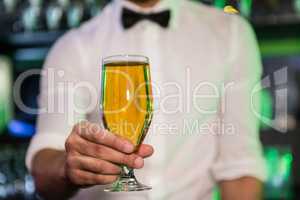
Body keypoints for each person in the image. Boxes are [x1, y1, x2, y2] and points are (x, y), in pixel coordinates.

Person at [25, 0, 267, 199]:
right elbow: (44, 168)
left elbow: (240, 165)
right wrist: (67, 167)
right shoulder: (72, 46)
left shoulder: (231, 33)